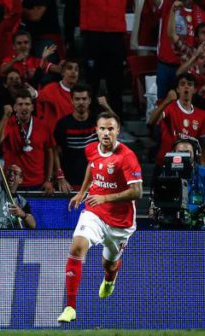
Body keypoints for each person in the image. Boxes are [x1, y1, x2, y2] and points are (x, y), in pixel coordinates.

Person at [58, 112, 143, 323]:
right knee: (77, 247)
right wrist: (82, 193)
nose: (106, 133)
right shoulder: (90, 149)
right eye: (102, 128)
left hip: (120, 223)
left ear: (118, 131)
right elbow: (92, 166)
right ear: (96, 130)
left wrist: (105, 198)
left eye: (110, 129)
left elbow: (137, 192)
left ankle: (109, 279)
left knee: (109, 264)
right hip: (94, 212)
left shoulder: (127, 156)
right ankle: (70, 307)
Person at [0, 89, 55, 192]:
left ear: (32, 107)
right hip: (12, 183)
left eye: (27, 104)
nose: (24, 107)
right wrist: (5, 117)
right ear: (15, 107)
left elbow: (50, 153)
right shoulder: (9, 123)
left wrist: (48, 179)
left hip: (37, 183)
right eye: (20, 104)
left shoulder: (43, 126)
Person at [53, 84, 99, 191]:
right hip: (70, 183)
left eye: (84, 99)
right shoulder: (62, 124)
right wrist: (60, 177)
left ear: (89, 100)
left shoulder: (98, 121)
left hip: (95, 181)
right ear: (72, 101)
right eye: (77, 99)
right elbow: (56, 152)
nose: (81, 102)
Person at [0, 151, 37, 229]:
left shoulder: (22, 202)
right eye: (9, 171)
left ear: (20, 180)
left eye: (15, 173)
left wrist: (23, 214)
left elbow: (33, 225)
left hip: (6, 236)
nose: (11, 174)